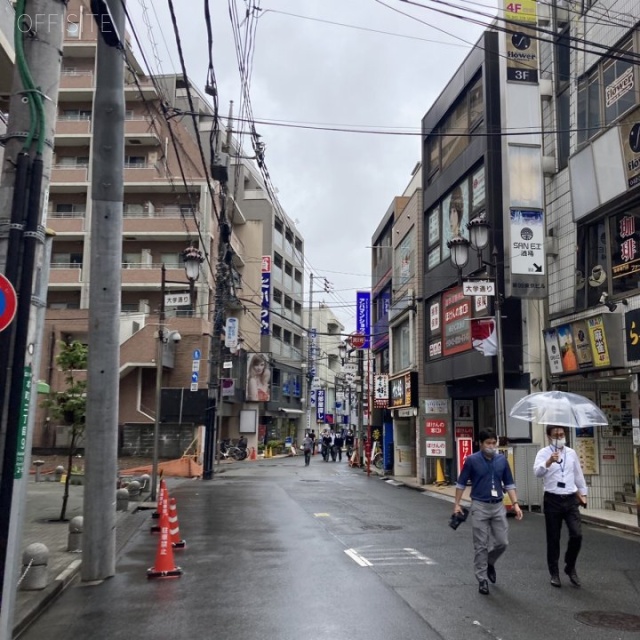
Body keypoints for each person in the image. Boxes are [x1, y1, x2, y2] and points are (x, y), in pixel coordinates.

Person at [453, 429, 523, 595]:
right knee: (480, 545)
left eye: (494, 443)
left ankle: (490, 562)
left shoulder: (501, 460)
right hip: (479, 505)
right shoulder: (471, 460)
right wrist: (457, 504)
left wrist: (516, 504)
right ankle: (482, 578)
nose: (492, 446)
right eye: (488, 443)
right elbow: (461, 483)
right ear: (481, 444)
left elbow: (509, 484)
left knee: (502, 542)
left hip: (498, 505)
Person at [533, 425, 587, 588]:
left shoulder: (571, 453)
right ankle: (554, 573)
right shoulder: (543, 453)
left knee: (576, 534)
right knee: (553, 538)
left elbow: (578, 474)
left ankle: (569, 566)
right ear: (549, 437)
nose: (560, 437)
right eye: (556, 435)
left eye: (562, 434)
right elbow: (537, 472)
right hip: (552, 499)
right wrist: (549, 461)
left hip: (570, 499)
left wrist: (583, 494)